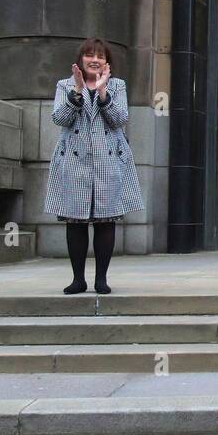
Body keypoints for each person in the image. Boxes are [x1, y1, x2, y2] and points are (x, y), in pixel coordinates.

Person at [45, 38, 144, 294]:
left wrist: (102, 93)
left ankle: (102, 279)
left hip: (107, 161)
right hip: (74, 162)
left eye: (100, 56)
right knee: (75, 222)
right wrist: (77, 92)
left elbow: (120, 119)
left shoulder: (117, 86)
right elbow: (59, 118)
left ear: (107, 62)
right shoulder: (65, 85)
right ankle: (78, 279)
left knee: (105, 221)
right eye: (90, 55)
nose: (95, 59)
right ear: (81, 59)